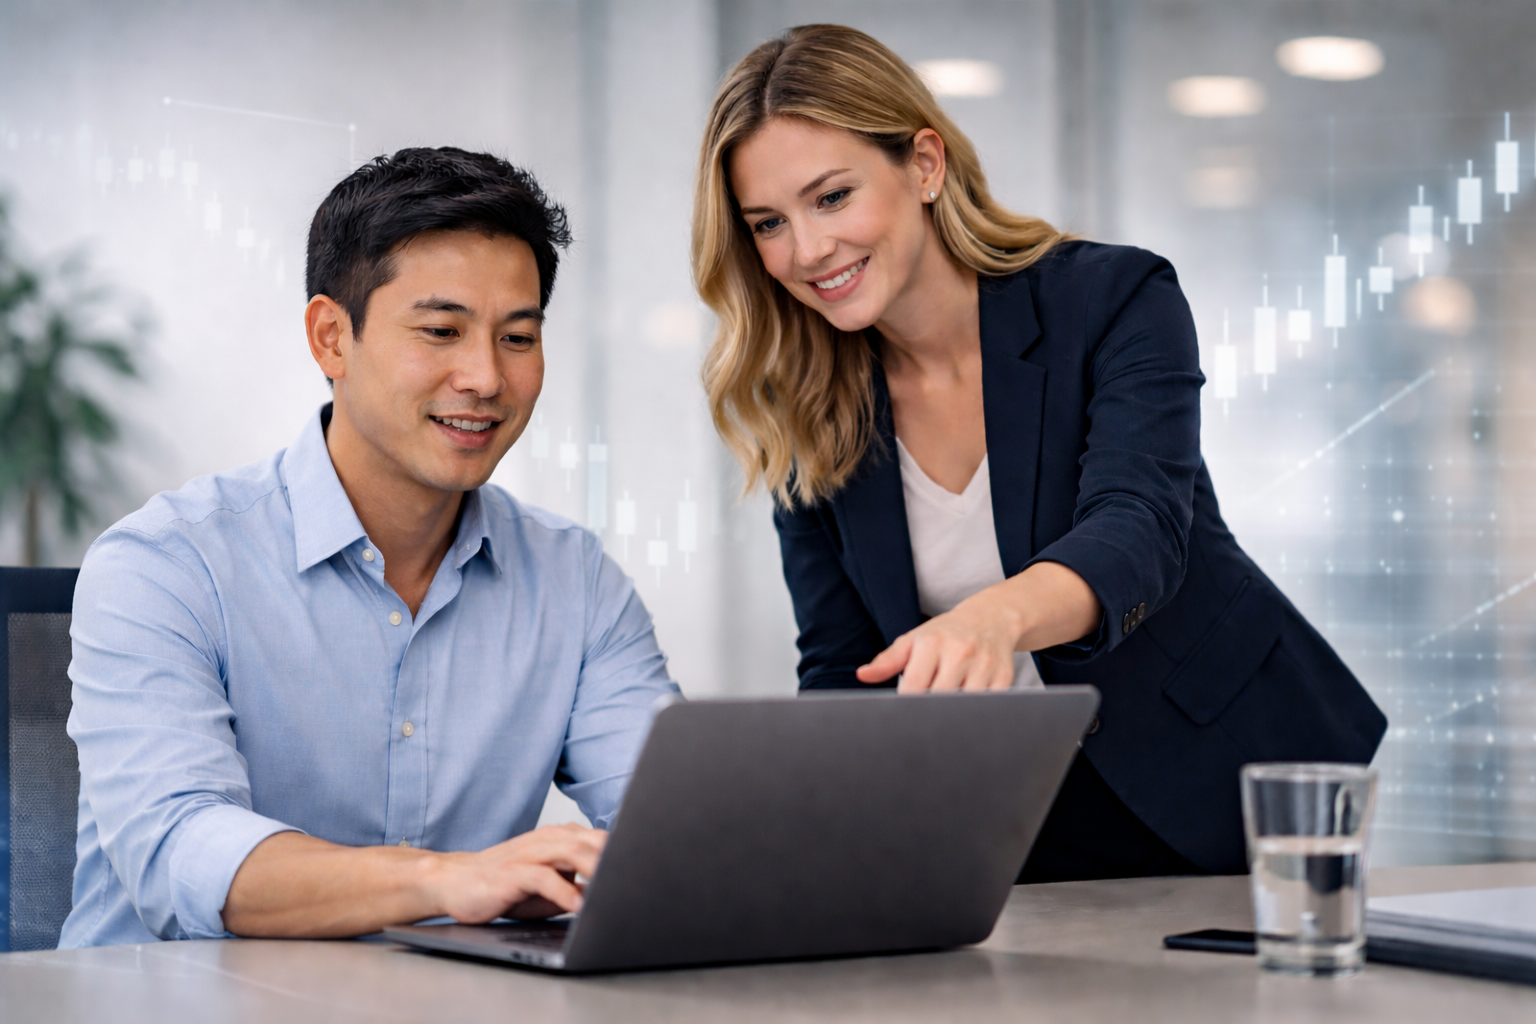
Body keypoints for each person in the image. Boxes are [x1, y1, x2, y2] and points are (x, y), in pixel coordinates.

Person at [692, 25, 1386, 880]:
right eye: (768, 223)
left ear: (924, 165)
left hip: (1223, 782)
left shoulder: (1113, 299)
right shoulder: (806, 402)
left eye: (832, 197)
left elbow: (1139, 529)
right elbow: (843, 663)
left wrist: (993, 619)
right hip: (1009, 824)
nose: (805, 251)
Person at [61, 148, 680, 947]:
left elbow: (676, 829)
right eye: (441, 331)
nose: (486, 377)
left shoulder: (575, 582)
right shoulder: (166, 566)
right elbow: (183, 852)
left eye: (518, 338)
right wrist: (448, 878)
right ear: (331, 338)